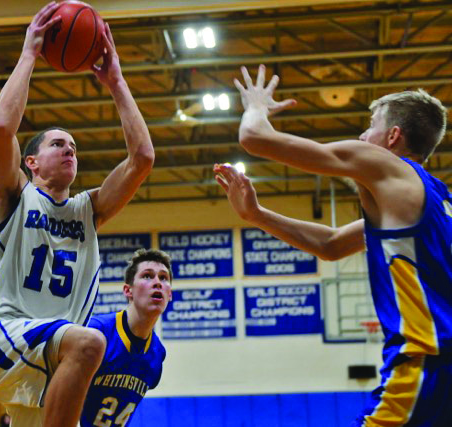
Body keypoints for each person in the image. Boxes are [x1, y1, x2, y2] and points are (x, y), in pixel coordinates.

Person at [215, 64, 451, 426]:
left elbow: (254, 138)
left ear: (392, 136)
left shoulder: (383, 164)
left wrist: (257, 106)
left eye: (371, 125)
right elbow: (331, 244)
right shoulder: (434, 197)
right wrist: (257, 215)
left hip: (423, 364)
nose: (362, 134)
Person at [0, 2, 155, 427]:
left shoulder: (89, 210)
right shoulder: (14, 195)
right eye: (57, 144)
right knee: (90, 343)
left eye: (74, 147)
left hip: (45, 356)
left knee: (81, 351)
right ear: (31, 162)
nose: (70, 149)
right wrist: (29, 54)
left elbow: (142, 158)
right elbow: (1, 130)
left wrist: (116, 82)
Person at [80, 249, 171, 427]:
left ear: (170, 294)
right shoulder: (96, 332)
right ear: (128, 291)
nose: (157, 283)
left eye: (163, 277)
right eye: (147, 276)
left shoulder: (157, 354)